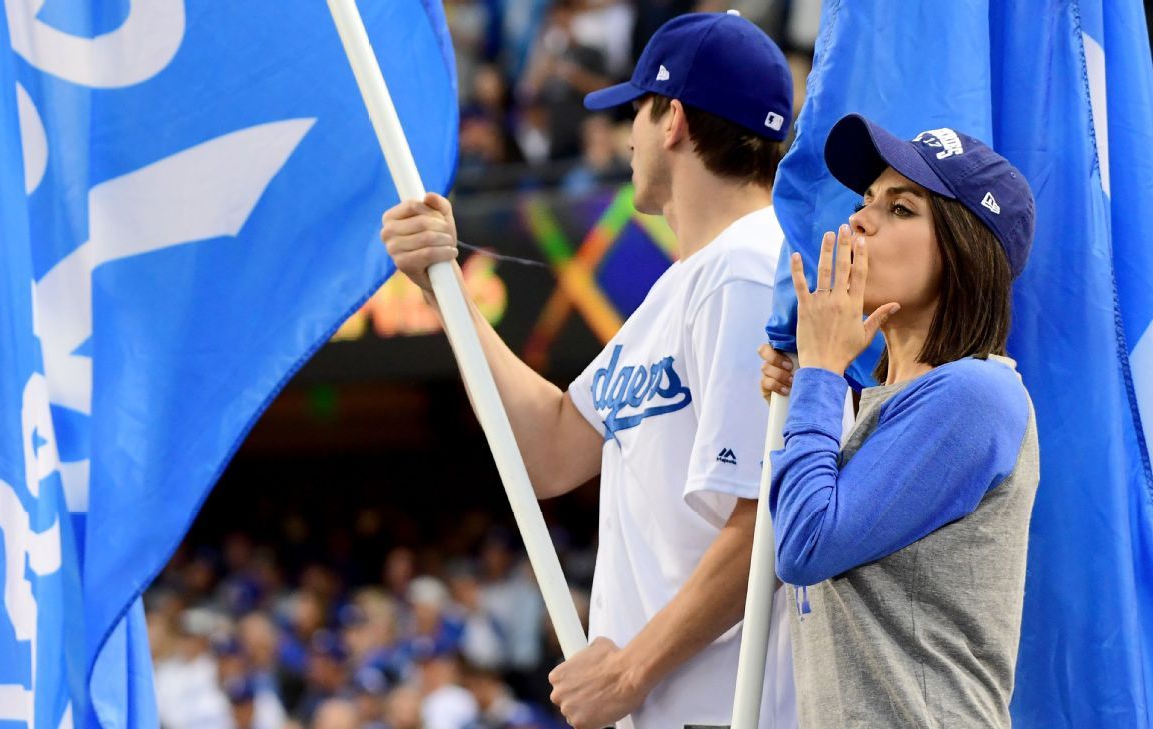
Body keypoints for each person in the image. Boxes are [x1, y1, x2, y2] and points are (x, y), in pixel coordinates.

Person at [380, 12, 797, 729]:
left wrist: (631, 671)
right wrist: (443, 286)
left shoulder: (747, 271)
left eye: (637, 109)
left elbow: (767, 522)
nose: (628, 134)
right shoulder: (688, 281)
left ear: (675, 122)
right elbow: (550, 447)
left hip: (724, 708)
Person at [756, 113, 1040, 728]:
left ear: (964, 251)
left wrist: (821, 380)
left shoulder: (976, 393)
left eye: (902, 209)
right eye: (865, 200)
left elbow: (805, 546)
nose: (860, 219)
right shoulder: (878, 403)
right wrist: (817, 384)